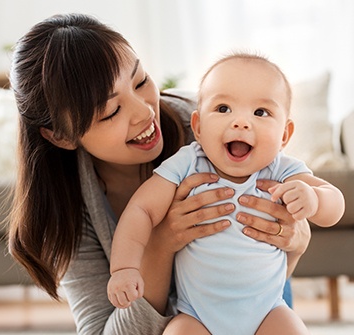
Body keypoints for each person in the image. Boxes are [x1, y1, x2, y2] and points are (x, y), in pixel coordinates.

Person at [7, 13, 312, 335]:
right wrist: (160, 245)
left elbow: (285, 234)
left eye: (140, 81)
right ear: (60, 136)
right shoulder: (65, 206)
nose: (144, 111)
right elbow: (103, 332)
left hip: (260, 301)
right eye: (111, 111)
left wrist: (296, 240)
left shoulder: (219, 127)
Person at [107, 53, 345, 334]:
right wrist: (123, 268)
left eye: (260, 112)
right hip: (197, 316)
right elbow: (141, 210)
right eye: (223, 109)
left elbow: (335, 204)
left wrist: (315, 199)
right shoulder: (188, 162)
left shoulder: (282, 170)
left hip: (268, 311)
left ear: (284, 135)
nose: (241, 122)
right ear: (197, 126)